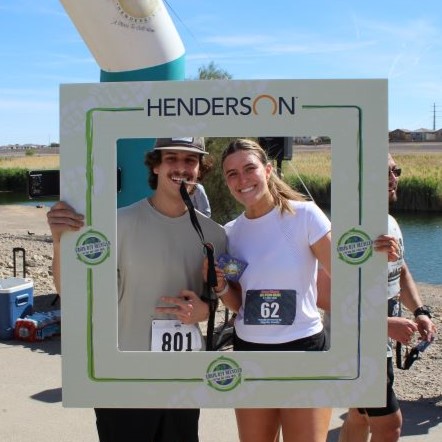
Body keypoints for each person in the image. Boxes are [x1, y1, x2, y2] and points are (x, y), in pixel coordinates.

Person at [47, 137, 226, 442]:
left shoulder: (215, 235)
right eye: (172, 158)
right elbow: (72, 293)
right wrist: (59, 240)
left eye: (190, 160)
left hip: (181, 381)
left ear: (200, 169)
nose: (181, 167)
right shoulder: (116, 224)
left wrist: (206, 309)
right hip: (122, 379)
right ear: (155, 165)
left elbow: (215, 300)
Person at [338, 153, 437, 442]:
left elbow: (401, 271)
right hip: (357, 341)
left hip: (380, 336)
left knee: (360, 414)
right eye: (383, 173)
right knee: (390, 424)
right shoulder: (352, 227)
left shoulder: (390, 221)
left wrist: (420, 310)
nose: (392, 178)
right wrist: (381, 324)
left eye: (395, 171)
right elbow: (330, 294)